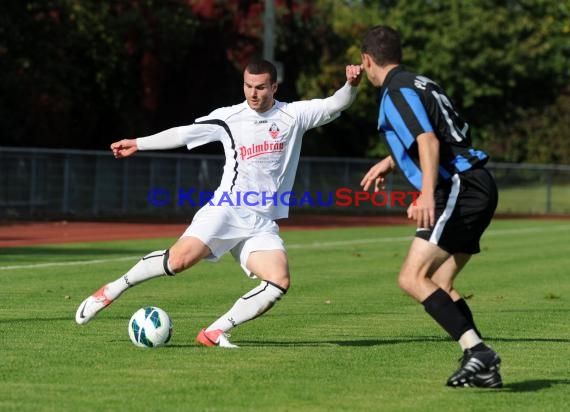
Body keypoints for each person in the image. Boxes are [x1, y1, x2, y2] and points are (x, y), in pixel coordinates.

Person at [75, 59, 363, 348]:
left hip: (262, 222)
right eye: (248, 86)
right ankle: (110, 291)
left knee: (279, 281)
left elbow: (335, 104)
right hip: (227, 209)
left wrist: (350, 85)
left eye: (261, 87)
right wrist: (139, 143)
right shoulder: (229, 118)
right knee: (177, 261)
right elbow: (183, 133)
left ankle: (213, 332)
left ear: (274, 87)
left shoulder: (293, 115)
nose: (253, 93)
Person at [358, 26, 501, 388]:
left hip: (458, 185)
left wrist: (424, 194)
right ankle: (481, 362)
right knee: (439, 282)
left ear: (367, 60)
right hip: (477, 183)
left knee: (411, 277)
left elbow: (427, 139)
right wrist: (389, 162)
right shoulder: (420, 82)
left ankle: (479, 353)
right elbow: (441, 132)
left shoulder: (394, 90)